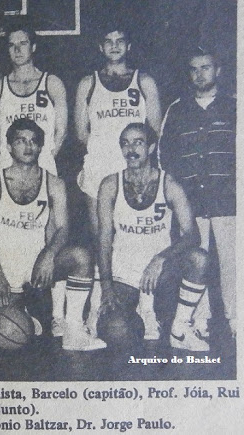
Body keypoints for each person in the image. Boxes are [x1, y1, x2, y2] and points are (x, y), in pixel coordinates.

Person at [0, 119, 105, 351]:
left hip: (36, 267)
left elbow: (63, 228)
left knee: (80, 257)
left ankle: (74, 331)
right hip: (5, 270)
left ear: (40, 147)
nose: (28, 146)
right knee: (6, 329)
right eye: (21, 141)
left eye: (33, 141)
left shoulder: (54, 184)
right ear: (9, 147)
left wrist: (48, 255)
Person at [73, 26, 162, 334]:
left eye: (120, 41)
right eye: (108, 41)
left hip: (134, 169)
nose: (114, 46)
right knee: (103, 239)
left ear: (129, 45)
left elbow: (154, 131)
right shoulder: (88, 83)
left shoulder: (144, 81)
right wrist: (105, 154)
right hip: (99, 171)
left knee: (139, 237)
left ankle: (146, 308)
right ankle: (96, 307)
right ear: (100, 47)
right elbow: (81, 133)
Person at [98, 123, 209, 351]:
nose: (131, 149)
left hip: (159, 275)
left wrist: (160, 259)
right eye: (125, 143)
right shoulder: (110, 185)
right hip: (124, 276)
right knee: (117, 333)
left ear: (150, 148)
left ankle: (179, 329)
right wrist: (106, 287)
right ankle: (140, 312)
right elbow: (104, 241)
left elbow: (192, 235)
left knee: (199, 258)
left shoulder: (169, 184)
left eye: (138, 142)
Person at [158, 47, 236, 339]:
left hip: (229, 201)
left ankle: (237, 322)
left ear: (218, 71)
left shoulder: (235, 106)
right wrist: (177, 195)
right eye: (194, 69)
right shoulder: (177, 110)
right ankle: (198, 321)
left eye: (206, 67)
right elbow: (164, 156)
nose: (200, 74)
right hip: (191, 202)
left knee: (233, 264)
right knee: (196, 260)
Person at [0, 26, 67, 175]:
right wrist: (12, 159)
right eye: (12, 45)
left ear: (33, 47)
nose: (17, 50)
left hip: (43, 165)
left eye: (23, 44)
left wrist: (46, 158)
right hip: (9, 166)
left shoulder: (52, 83)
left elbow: (61, 131)